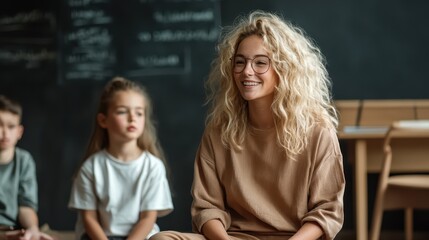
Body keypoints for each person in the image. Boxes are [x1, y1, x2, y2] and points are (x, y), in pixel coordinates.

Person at [150, 10, 345, 240]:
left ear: (284, 69)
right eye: (239, 62)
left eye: (260, 62)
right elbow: (207, 208)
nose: (246, 71)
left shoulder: (318, 131)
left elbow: (327, 212)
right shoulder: (219, 130)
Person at [68, 77, 174, 240]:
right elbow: (89, 218)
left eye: (139, 112)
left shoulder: (153, 166)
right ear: (103, 120)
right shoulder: (91, 167)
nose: (132, 118)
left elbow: (148, 218)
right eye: (122, 111)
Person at [0, 95, 53, 240]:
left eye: (11, 126)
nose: (4, 133)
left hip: (14, 230)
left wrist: (32, 229)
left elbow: (26, 205)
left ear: (19, 132)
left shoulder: (24, 160)